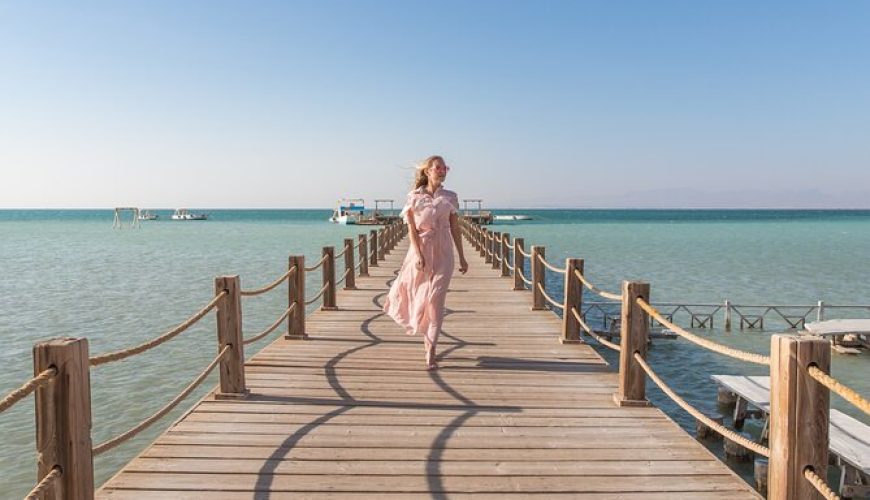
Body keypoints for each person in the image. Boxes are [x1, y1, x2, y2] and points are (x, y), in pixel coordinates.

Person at [383, 155, 469, 370]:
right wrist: (419, 254)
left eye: (445, 167)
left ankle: (431, 349)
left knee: (436, 298)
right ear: (428, 171)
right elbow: (411, 230)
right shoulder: (414, 197)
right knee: (420, 296)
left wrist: (462, 256)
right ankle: (426, 336)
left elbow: (456, 228)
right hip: (420, 250)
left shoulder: (450, 196)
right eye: (438, 167)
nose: (442, 171)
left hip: (444, 251)